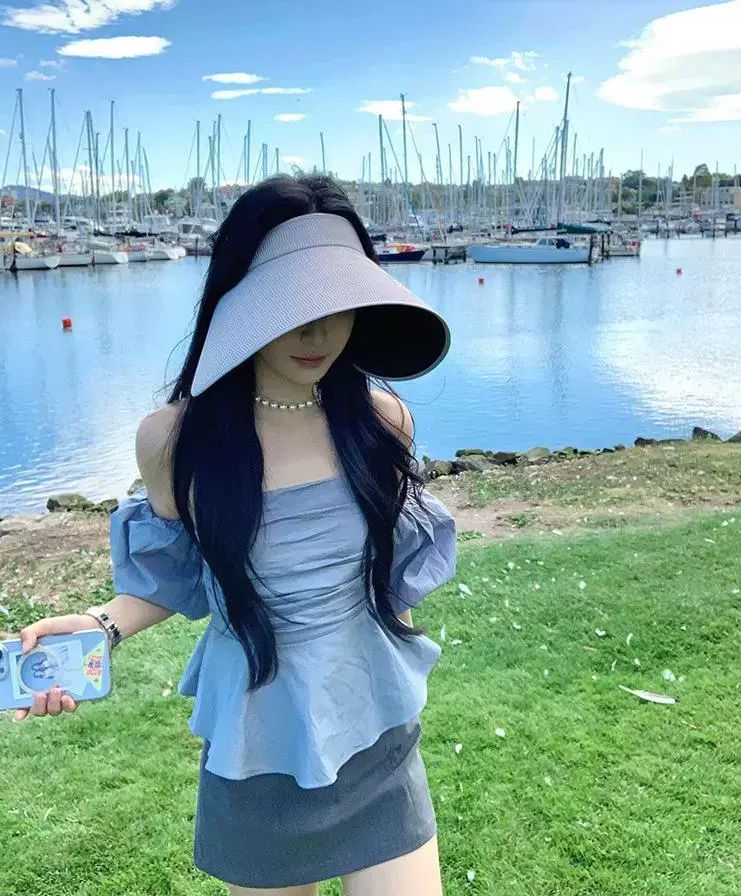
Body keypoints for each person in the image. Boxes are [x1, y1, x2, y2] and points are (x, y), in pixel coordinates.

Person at [13, 174, 458, 896]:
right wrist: (100, 626)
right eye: (295, 307)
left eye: (337, 303)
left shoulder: (382, 423)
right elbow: (176, 573)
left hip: (374, 735)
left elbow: (392, 578)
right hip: (258, 743)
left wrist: (395, 671)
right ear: (240, 301)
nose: (319, 333)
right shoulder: (174, 441)